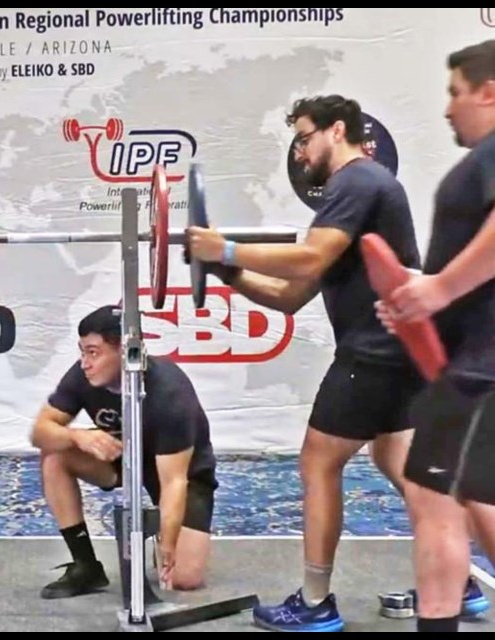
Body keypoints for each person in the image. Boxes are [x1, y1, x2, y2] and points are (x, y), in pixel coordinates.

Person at [187, 94, 487, 631]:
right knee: (402, 466)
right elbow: (288, 294)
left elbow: (308, 257)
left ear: (336, 130)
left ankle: (316, 602)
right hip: (399, 350)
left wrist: (225, 249)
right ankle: (457, 579)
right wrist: (225, 271)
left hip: (373, 353)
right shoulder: (347, 199)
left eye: (304, 138)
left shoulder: (357, 181)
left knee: (317, 463)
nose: (299, 153)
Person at [376, 39, 495, 634]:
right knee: (466, 497)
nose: (447, 109)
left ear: (488, 90)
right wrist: (416, 300)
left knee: (433, 498)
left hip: (481, 367)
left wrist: (440, 290)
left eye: (454, 93)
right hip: (472, 361)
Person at [29, 305, 218, 599]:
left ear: (124, 351)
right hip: (124, 456)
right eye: (82, 352)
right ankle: (86, 566)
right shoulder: (82, 377)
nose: (84, 363)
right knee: (55, 453)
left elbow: (174, 482)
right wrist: (76, 436)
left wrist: (167, 542)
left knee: (183, 578)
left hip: (180, 471)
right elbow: (39, 432)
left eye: (93, 352)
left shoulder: (170, 392)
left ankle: (166, 540)